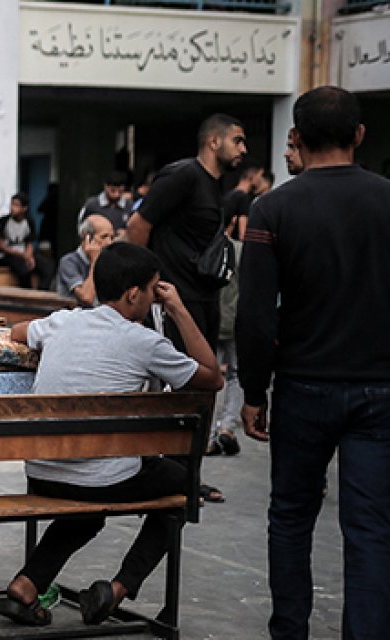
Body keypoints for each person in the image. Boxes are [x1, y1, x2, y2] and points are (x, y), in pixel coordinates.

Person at [0, 242, 223, 628]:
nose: (157, 296)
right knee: (183, 489)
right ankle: (119, 589)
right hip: (97, 477)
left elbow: (17, 332)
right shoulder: (144, 343)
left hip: (43, 472)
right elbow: (212, 377)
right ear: (134, 293)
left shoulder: (63, 321)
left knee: (89, 511)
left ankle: (26, 585)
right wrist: (179, 309)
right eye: (154, 289)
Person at [237, 86, 390, 640]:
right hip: (380, 390)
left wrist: (254, 392)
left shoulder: (273, 208)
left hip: (303, 387)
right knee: (371, 529)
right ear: (359, 135)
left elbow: (255, 317)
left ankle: (291, 632)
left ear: (296, 138)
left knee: (292, 518)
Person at [126, 113, 247, 354]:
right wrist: (146, 284)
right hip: (177, 300)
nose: (243, 149)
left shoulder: (214, 184)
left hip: (205, 297)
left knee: (205, 378)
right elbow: (138, 226)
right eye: (237, 141)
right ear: (214, 142)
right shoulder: (183, 175)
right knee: (181, 380)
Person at [0, 193, 55, 290]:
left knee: (47, 267)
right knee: (24, 270)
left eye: (16, 205)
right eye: (12, 204)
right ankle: (27, 295)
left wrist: (29, 256)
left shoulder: (29, 221)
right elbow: (1, 245)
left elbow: (29, 242)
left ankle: (42, 291)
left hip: (24, 253)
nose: (12, 208)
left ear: (24, 208)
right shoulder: (4, 221)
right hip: (9, 255)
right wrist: (22, 255)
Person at [56, 214, 114, 306]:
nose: (109, 243)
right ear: (87, 238)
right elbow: (87, 297)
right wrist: (94, 261)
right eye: (104, 237)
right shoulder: (69, 262)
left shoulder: (108, 262)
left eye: (112, 237)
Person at [222, 159, 265, 241]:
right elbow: (243, 234)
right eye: (260, 175)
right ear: (251, 175)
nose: (261, 180)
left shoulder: (229, 195)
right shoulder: (243, 198)